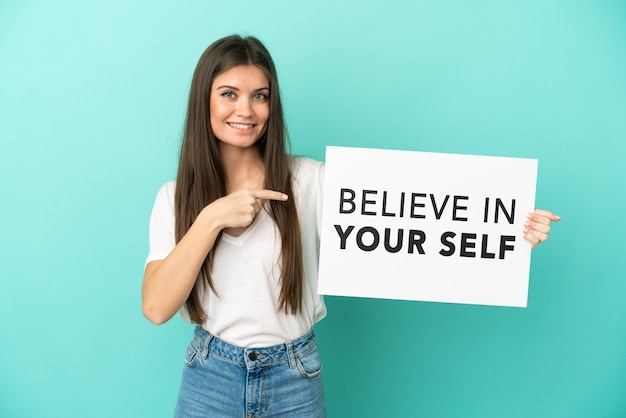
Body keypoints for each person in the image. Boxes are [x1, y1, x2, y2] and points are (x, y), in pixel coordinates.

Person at [142, 35, 560, 417]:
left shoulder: (309, 181)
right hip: (210, 377)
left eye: (260, 96)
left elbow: (413, 219)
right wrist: (211, 218)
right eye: (229, 94)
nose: (246, 110)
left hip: (294, 376)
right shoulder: (174, 198)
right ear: (205, 101)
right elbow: (157, 307)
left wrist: (507, 228)